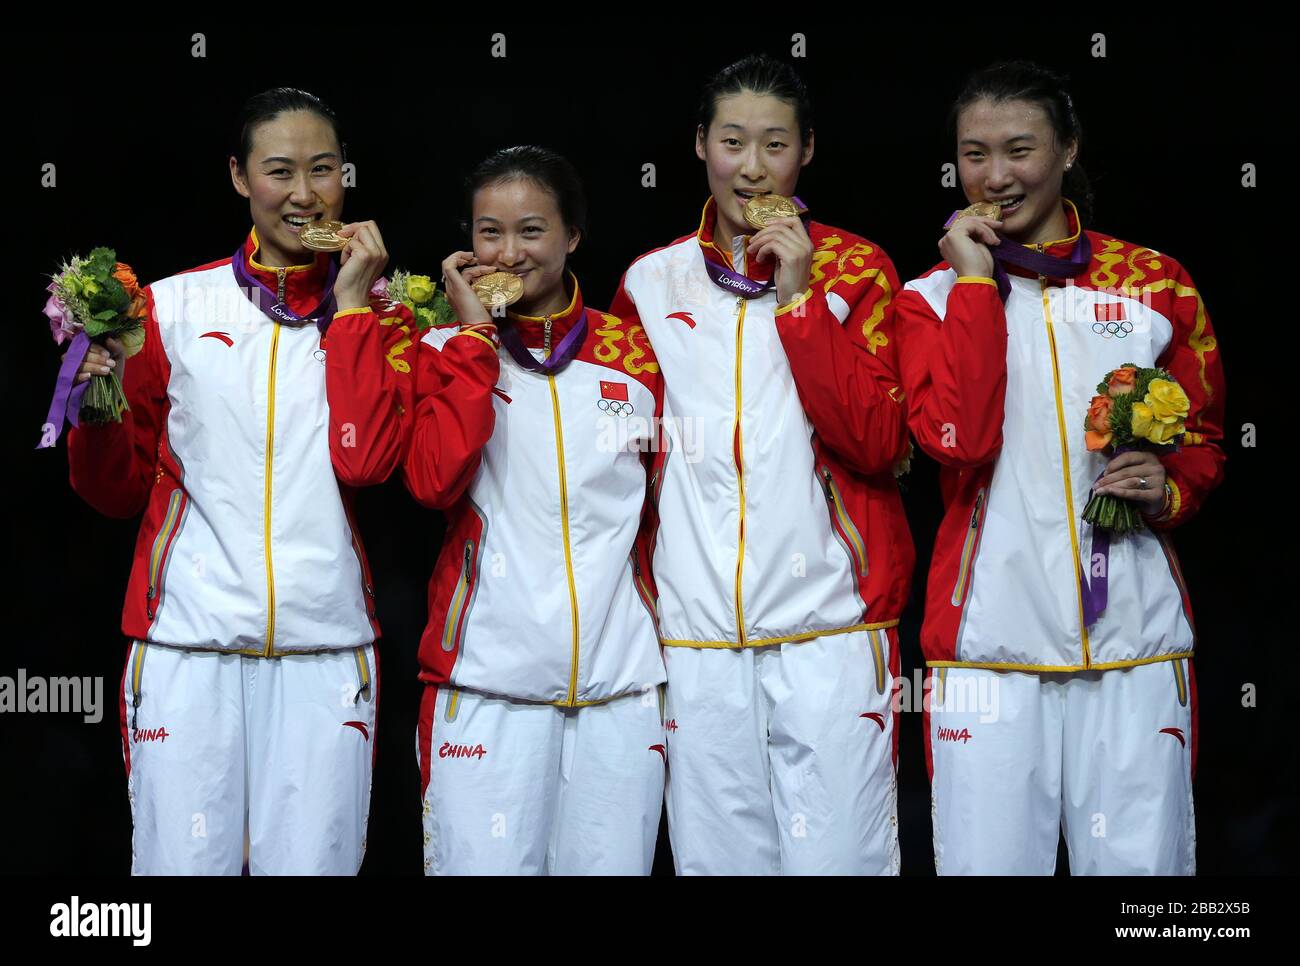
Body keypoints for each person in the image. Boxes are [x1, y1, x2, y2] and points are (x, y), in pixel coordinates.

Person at [894, 60, 1226, 874]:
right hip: (987, 649)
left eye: (1019, 150)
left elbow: (1206, 438)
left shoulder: (1156, 285)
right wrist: (976, 288)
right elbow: (957, 439)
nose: (996, 177)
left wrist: (1170, 486)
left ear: (1069, 149)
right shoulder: (929, 297)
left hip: (1135, 646)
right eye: (974, 154)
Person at [65, 87, 405, 875]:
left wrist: (353, 310)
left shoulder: (386, 319)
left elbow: (368, 462)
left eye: (323, 170)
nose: (302, 192)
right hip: (189, 648)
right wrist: (92, 402)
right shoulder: (171, 309)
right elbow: (113, 491)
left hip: (327, 652)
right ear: (238, 177)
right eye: (279, 170)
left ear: (345, 178)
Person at [610, 54, 914, 875]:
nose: (751, 168)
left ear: (806, 150)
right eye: (733, 142)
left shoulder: (859, 270)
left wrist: (801, 299)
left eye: (774, 144)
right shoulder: (649, 281)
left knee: (844, 862)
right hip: (697, 634)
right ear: (699, 143)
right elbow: (615, 460)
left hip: (832, 627)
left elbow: (879, 442)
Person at [325, 146, 667, 875]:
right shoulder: (442, 348)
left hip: (623, 693)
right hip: (484, 692)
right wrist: (478, 338)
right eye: (489, 232)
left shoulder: (634, 353)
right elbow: (431, 482)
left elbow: (668, 510)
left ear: (574, 235)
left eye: (532, 231)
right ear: (465, 242)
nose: (510, 252)